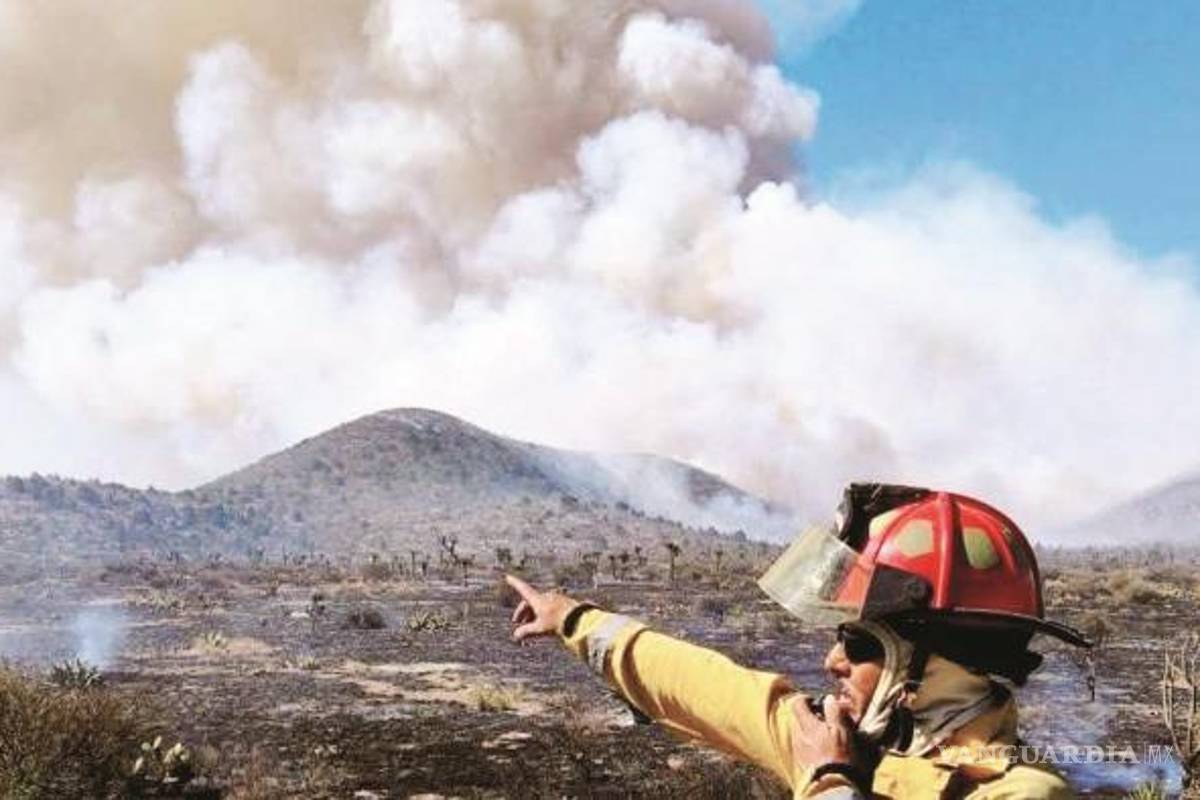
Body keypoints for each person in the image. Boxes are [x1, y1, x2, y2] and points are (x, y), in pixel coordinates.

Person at [506, 483, 1089, 799]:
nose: (832, 660)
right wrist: (574, 620)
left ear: (933, 666)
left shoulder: (1025, 793)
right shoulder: (849, 740)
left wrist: (832, 784)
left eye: (859, 644)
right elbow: (705, 687)